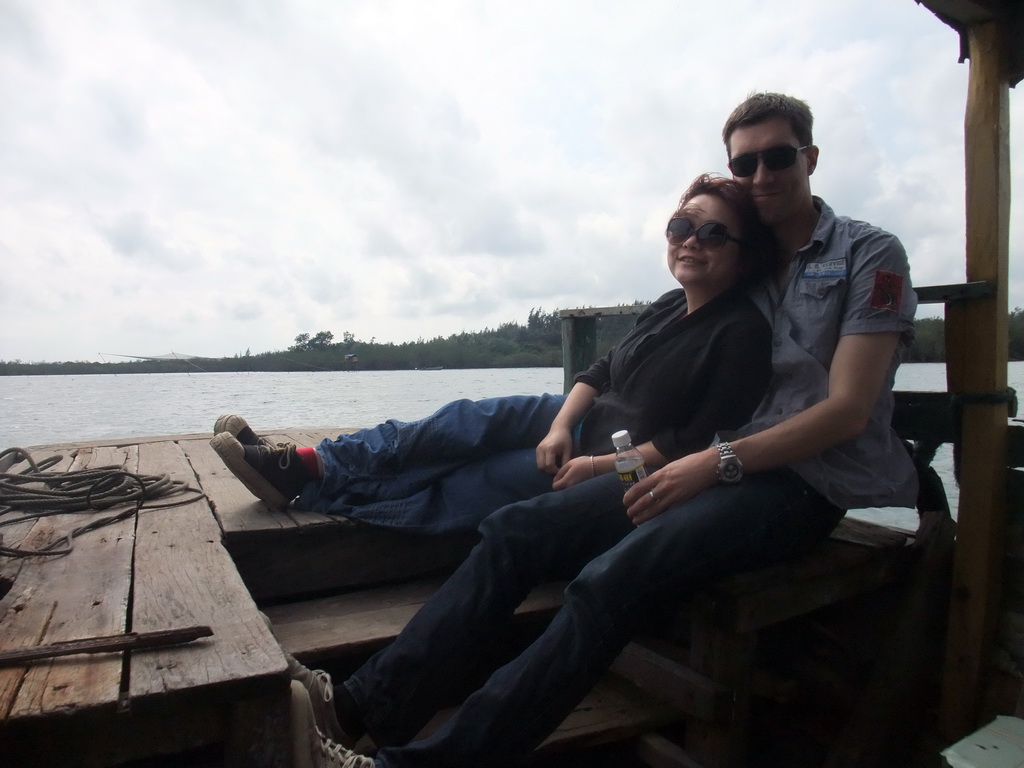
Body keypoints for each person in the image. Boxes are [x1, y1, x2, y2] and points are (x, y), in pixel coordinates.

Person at [293, 92, 919, 768]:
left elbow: (848, 410)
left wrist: (707, 464)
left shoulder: (866, 251)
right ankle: (361, 707)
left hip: (796, 485)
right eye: (746, 163)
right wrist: (655, 450)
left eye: (779, 158)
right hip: (713, 463)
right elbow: (664, 359)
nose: (761, 175)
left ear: (811, 158)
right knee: (514, 530)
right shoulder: (753, 261)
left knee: (610, 581)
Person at [211, 174, 779, 535]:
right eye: (682, 225)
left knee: (467, 480)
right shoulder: (666, 305)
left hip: (619, 465)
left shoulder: (740, 333)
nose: (690, 240)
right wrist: (560, 426)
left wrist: (595, 466)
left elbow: (693, 445)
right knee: (460, 421)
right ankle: (310, 461)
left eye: (712, 234)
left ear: (742, 253)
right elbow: (601, 371)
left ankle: (315, 492)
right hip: (578, 424)